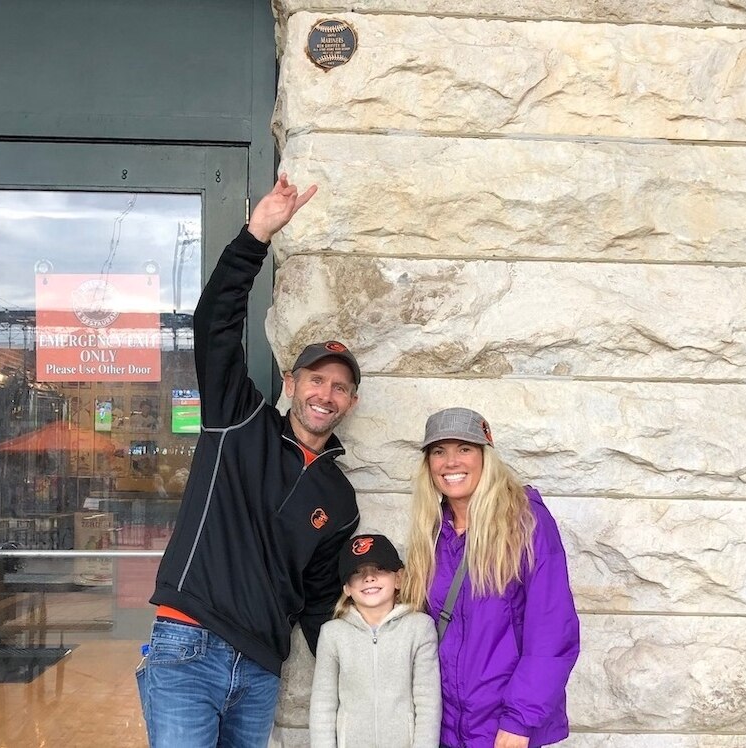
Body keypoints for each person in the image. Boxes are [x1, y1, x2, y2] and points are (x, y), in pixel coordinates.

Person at [138, 174, 363, 747]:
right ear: (291, 383)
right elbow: (214, 325)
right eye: (316, 380)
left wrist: (354, 679)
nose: (325, 394)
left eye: (339, 387)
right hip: (188, 647)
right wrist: (256, 235)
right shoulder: (237, 419)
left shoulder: (339, 500)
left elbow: (318, 599)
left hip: (260, 671)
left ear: (350, 403)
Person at [403, 407, 580, 748]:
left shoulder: (525, 522)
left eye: (464, 449)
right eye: (438, 451)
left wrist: (520, 721)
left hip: (502, 727)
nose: (451, 462)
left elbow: (552, 628)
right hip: (442, 727)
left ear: (485, 456)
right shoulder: (432, 533)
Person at [309, 534, 441, 748]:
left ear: (398, 579)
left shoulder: (420, 628)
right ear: (346, 587)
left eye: (379, 568)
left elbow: (428, 704)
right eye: (357, 572)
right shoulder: (332, 634)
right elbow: (323, 705)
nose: (369, 577)